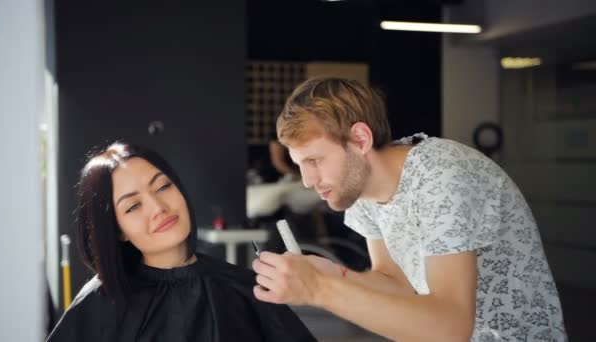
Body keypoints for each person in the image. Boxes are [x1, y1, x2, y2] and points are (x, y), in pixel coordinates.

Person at [252, 77, 567, 341]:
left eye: (315, 160)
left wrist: (321, 289)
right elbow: (394, 282)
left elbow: (452, 326)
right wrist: (337, 275)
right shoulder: (361, 189)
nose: (307, 181)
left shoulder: (441, 174)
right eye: (299, 164)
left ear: (360, 139)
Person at [46, 142, 316, 342]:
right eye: (133, 206)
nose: (158, 207)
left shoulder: (243, 288)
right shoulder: (100, 304)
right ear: (118, 231)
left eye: (163, 187)